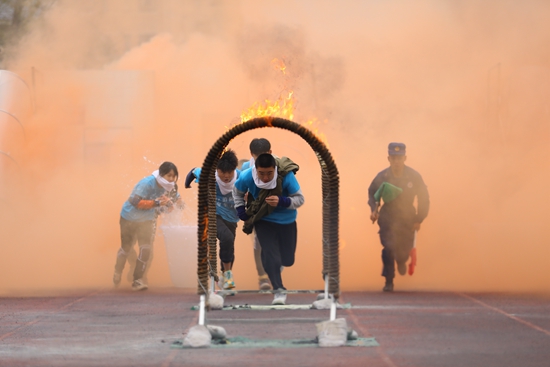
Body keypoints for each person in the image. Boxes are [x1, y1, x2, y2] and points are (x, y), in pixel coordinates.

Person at [233, 153, 304, 305]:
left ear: (275, 169)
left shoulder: (286, 176)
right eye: (261, 173)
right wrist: (240, 210)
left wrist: (282, 201)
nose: (265, 178)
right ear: (256, 170)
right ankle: (278, 290)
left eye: (269, 173)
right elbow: (237, 192)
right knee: (271, 256)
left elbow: (300, 199)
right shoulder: (247, 176)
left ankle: (270, 264)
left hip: (287, 221)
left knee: (287, 260)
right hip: (263, 220)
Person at [368, 143, 430, 292]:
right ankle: (389, 280)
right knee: (388, 247)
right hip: (388, 215)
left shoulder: (414, 176)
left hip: (407, 217)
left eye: (399, 158)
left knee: (403, 250)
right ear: (389, 158)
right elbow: (372, 193)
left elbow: (424, 198)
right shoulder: (382, 176)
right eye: (394, 158)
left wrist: (418, 218)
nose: (396, 161)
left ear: (405, 158)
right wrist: (374, 209)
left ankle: (401, 261)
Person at [113, 162, 183, 291]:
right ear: (161, 175)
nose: (172, 179)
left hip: (148, 220)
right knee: (126, 248)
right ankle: (118, 270)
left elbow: (177, 203)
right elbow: (135, 202)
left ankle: (137, 280)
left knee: (146, 249)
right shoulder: (147, 183)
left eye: (174, 176)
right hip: (129, 217)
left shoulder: (171, 187)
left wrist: (171, 204)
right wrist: (156, 203)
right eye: (169, 176)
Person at [184, 149, 241, 290]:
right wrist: (187, 184)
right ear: (217, 170)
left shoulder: (241, 178)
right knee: (227, 238)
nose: (226, 176)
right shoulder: (209, 174)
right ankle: (227, 274)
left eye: (230, 172)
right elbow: (193, 171)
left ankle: (224, 274)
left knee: (229, 245)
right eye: (223, 172)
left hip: (232, 217)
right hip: (213, 214)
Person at [240, 138, 274, 291]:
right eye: (257, 156)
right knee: (258, 241)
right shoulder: (246, 168)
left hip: (274, 209)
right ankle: (263, 277)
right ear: (251, 154)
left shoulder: (279, 165)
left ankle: (274, 269)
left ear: (270, 153)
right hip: (255, 210)